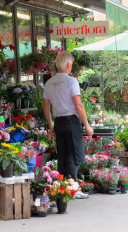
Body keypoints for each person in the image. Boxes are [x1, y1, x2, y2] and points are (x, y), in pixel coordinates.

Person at [43, 51, 94, 181]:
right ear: (67, 65)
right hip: (71, 121)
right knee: (73, 154)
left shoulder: (49, 83)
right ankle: (73, 186)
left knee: (62, 155)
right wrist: (87, 125)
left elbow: (46, 107)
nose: (71, 67)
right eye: (71, 64)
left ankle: (62, 186)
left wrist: (51, 125)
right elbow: (78, 105)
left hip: (58, 122)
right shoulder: (71, 81)